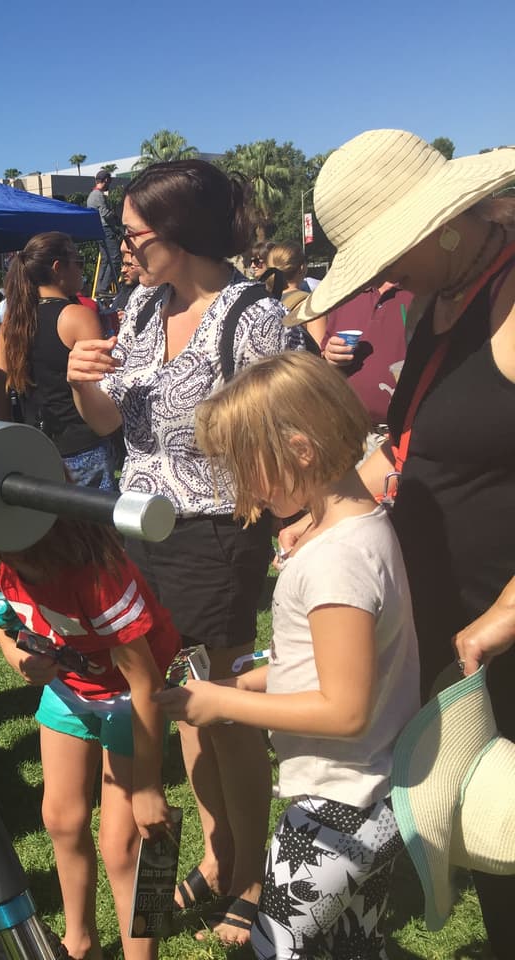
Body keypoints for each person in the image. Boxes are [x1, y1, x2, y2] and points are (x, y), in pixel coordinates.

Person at [289, 129, 515, 951]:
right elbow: (417, 445)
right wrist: (326, 509)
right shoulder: (438, 300)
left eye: (389, 252)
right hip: (453, 623)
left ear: (447, 225)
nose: (381, 278)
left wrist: (507, 611)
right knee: (490, 821)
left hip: (499, 624)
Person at [66, 159, 298, 946]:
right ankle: (218, 852)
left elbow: (281, 433)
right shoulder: (140, 305)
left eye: (132, 234)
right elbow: (108, 423)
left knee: (222, 705)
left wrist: (291, 520)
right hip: (139, 524)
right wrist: (83, 382)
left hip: (215, 529)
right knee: (175, 693)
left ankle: (251, 877)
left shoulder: (252, 316)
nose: (123, 249)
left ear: (179, 233)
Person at [159, 351, 419, 958]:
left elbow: (344, 709)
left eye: (247, 466)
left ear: (299, 450)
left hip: (337, 808)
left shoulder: (335, 563)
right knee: (354, 947)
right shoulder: (364, 529)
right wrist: (244, 685)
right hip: (377, 793)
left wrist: (222, 703)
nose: (245, 486)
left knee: (273, 947)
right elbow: (341, 669)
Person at [0, 516, 179, 960]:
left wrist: (148, 788)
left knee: (125, 844)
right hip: (69, 690)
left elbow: (146, 683)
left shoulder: (96, 575)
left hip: (130, 697)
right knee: (61, 819)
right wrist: (16, 656)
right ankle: (80, 943)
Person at [0, 232, 116, 490]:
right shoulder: (78, 316)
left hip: (34, 447)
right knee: (94, 517)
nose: (82, 270)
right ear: (58, 267)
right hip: (83, 445)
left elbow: (1, 387)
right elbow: (102, 384)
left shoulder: (11, 324)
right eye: (78, 262)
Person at [317, 281, 412, 432]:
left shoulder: (420, 292)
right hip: (348, 428)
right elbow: (325, 353)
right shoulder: (347, 292)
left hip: (403, 431)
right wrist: (330, 354)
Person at [87, 169, 122, 294]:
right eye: (109, 182)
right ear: (106, 180)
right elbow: (105, 214)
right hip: (106, 228)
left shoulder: (92, 195)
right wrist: (116, 216)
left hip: (98, 229)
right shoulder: (98, 195)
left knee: (106, 259)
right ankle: (104, 288)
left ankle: (100, 287)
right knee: (115, 258)